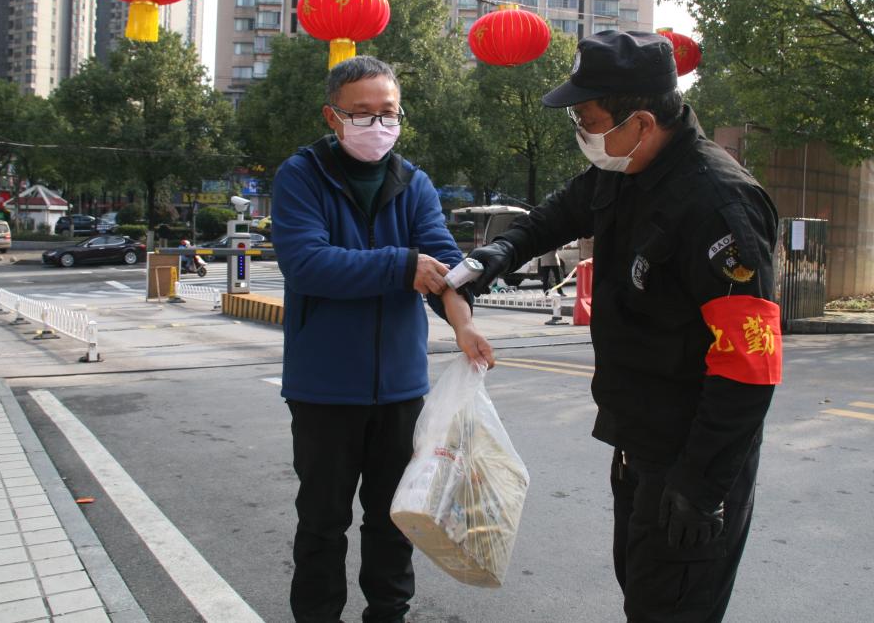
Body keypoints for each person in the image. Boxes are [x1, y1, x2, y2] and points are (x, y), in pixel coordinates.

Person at [465, 31, 782, 622]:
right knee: (643, 598)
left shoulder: (718, 205)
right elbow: (559, 212)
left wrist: (700, 488)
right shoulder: (628, 166)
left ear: (640, 121)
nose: (581, 130)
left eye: (587, 117)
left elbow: (749, 368)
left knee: (672, 611)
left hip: (692, 462)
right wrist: (495, 257)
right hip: (639, 447)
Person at [271, 55, 495, 623]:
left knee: (395, 515)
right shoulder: (301, 176)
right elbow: (307, 263)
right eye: (362, 114)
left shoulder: (413, 182)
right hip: (324, 388)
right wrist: (401, 265)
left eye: (388, 113)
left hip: (399, 387)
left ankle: (389, 614)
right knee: (322, 521)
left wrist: (462, 320)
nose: (377, 126)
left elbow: (442, 259)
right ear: (333, 116)